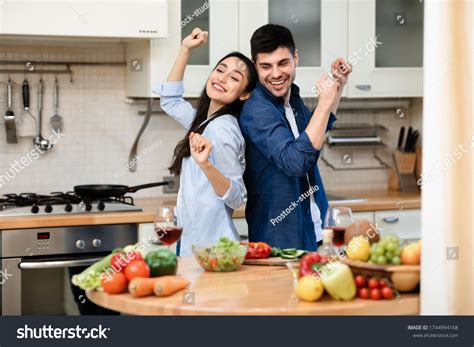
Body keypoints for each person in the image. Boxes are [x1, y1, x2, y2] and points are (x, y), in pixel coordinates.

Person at [239, 24, 352, 251]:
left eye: (283, 63)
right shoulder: (257, 110)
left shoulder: (294, 97)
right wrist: (324, 102)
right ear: (255, 67)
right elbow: (295, 162)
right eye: (265, 66)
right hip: (281, 239)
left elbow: (314, 136)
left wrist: (337, 86)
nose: (276, 74)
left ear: (295, 58)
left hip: (314, 226)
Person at [153, 28, 258, 256]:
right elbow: (169, 100)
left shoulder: (223, 129)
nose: (222, 78)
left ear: (244, 94)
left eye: (234, 78)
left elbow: (236, 196)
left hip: (212, 249)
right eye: (220, 70)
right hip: (196, 242)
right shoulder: (204, 121)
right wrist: (186, 49)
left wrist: (206, 165)